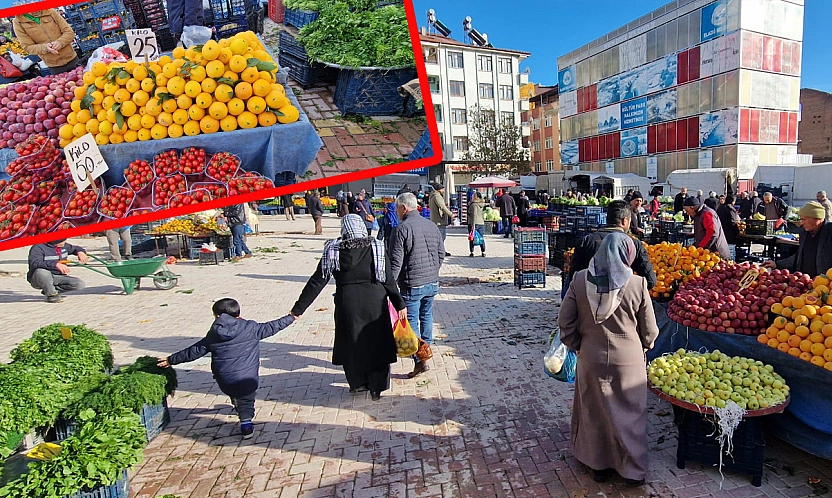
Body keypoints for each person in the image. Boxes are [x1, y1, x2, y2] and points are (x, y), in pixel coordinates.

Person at [558, 231, 660, 486]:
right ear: (628, 255)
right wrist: (645, 346)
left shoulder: (580, 280)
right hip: (629, 361)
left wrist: (578, 346)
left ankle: (598, 466)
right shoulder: (637, 284)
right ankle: (632, 470)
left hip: (591, 358)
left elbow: (565, 322)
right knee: (630, 414)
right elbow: (649, 330)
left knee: (594, 411)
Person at [292, 215, 407, 401]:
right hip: (375, 303)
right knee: (377, 343)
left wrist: (298, 309)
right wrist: (399, 303)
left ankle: (357, 383)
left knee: (352, 342)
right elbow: (388, 279)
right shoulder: (376, 247)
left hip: (348, 304)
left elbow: (317, 281)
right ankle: (377, 388)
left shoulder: (333, 250)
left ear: (343, 229)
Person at [158, 298, 296, 439]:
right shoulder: (251, 328)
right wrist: (291, 317)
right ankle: (246, 425)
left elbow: (193, 351)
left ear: (218, 316)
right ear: (238, 312)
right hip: (247, 378)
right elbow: (274, 326)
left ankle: (236, 403)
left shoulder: (213, 335)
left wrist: (170, 360)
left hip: (225, 379)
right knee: (246, 400)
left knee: (235, 392)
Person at [390, 193, 445, 379]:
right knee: (426, 316)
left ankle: (420, 359)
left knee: (411, 322)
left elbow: (395, 263)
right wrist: (433, 271)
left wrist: (389, 287)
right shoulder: (431, 225)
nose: (396, 212)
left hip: (412, 284)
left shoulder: (401, 229)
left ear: (404, 208)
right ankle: (425, 352)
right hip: (431, 281)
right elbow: (441, 253)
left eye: (397, 208)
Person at [568, 200, 657, 294]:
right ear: (625, 221)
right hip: (621, 302)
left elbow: (574, 278)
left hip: (590, 301)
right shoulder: (634, 244)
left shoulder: (586, 241)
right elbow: (650, 281)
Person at [764, 202, 832, 277]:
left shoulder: (829, 231)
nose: (801, 223)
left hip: (825, 283)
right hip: (805, 282)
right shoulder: (804, 232)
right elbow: (799, 256)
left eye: (804, 219)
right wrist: (776, 264)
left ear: (817, 218)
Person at [13, 10, 79, 74]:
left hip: (72, 58)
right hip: (54, 66)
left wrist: (60, 42)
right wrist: (45, 48)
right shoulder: (18, 22)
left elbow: (69, 32)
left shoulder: (51, 12)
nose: (35, 10)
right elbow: (27, 47)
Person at [27, 239, 89, 303]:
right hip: (40, 278)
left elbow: (75, 248)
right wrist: (55, 264)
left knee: (79, 284)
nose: (64, 242)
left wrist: (80, 252)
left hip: (58, 276)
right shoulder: (38, 247)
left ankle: (49, 290)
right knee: (42, 272)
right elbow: (35, 263)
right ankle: (52, 295)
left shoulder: (64, 245)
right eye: (62, 241)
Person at [467, 192, 486, 257]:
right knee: (481, 238)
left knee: (472, 238)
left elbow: (474, 214)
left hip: (474, 222)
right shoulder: (481, 204)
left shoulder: (474, 205)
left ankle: (472, 252)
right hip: (481, 222)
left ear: (475, 197)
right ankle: (483, 251)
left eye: (473, 196)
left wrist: (473, 225)